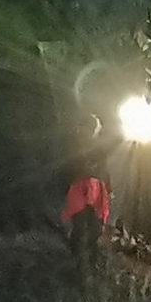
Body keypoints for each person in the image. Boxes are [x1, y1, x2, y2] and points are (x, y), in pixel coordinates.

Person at [60, 115, 113, 276]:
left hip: (95, 189)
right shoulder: (72, 147)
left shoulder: (98, 148)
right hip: (78, 189)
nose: (87, 131)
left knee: (95, 227)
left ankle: (92, 262)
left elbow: (103, 170)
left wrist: (108, 189)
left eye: (91, 128)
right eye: (85, 128)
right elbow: (66, 169)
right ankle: (76, 261)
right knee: (79, 225)